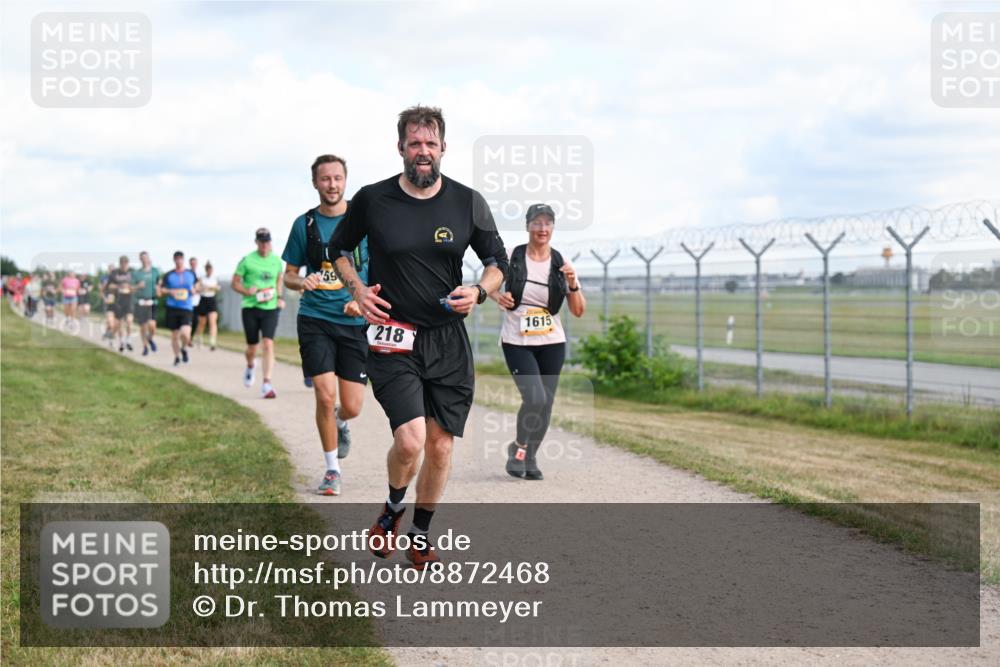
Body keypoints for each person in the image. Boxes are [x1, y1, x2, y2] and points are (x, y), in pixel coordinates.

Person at [329, 105, 509, 569]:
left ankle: (422, 530)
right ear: (401, 148)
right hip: (393, 336)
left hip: (447, 339)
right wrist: (358, 289)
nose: (423, 152)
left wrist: (479, 290)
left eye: (431, 144)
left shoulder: (467, 201)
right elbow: (338, 249)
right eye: (415, 144)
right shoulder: (373, 198)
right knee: (410, 441)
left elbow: (497, 261)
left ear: (443, 148)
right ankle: (391, 511)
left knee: (442, 444)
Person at [283, 154, 369, 496]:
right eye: (325, 179)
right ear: (315, 183)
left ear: (345, 181)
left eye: (337, 178)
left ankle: (342, 422)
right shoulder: (304, 225)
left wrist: (360, 300)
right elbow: (287, 276)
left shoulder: (363, 223)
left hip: (353, 321)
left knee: (352, 405)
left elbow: (379, 271)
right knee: (323, 395)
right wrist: (301, 282)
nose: (331, 185)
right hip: (315, 319)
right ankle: (332, 469)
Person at [491, 203, 586, 480]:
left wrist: (573, 283)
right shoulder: (512, 256)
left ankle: (529, 457)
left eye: (547, 223)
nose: (542, 229)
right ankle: (518, 448)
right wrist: (499, 297)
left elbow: (578, 310)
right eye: (537, 222)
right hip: (517, 339)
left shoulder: (562, 263)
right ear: (528, 226)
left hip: (552, 341)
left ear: (553, 228)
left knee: (546, 403)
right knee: (535, 397)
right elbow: (489, 284)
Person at [233, 228, 284, 398]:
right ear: (256, 242)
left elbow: (279, 280)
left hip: (270, 308)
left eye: (267, 242)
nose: (264, 245)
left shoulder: (277, 261)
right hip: (250, 307)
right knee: (252, 348)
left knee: (268, 343)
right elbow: (235, 283)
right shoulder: (247, 261)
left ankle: (267, 383)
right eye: (261, 242)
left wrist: (280, 297)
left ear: (271, 242)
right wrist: (247, 291)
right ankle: (250, 365)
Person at [158, 251, 199, 366]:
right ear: (174, 260)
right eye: (176, 259)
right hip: (172, 307)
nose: (178, 261)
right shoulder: (169, 275)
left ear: (183, 260)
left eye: (180, 258)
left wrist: (195, 289)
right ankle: (177, 357)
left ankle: (184, 348)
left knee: (186, 333)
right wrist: (171, 291)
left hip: (186, 307)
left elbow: (197, 284)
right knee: (175, 335)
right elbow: (161, 290)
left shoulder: (190, 273)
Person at [106, 255, 137, 352]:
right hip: (117, 301)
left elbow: (138, 286)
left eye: (125, 263)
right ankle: (122, 341)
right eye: (122, 263)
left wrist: (130, 287)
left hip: (128, 300)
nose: (123, 265)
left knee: (129, 321)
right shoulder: (114, 273)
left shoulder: (133, 272)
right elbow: (109, 286)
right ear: (119, 263)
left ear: (128, 263)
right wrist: (120, 286)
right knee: (119, 323)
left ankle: (129, 339)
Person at [134, 251, 160, 356]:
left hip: (152, 300)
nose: (144, 260)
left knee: (152, 325)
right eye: (142, 258)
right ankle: (145, 347)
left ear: (149, 258)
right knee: (143, 327)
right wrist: (137, 286)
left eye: (146, 257)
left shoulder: (155, 271)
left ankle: (150, 339)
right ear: (140, 260)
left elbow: (159, 283)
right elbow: (131, 288)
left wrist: (159, 288)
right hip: (141, 301)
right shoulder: (137, 273)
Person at [194, 261, 220, 350]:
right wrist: (202, 288)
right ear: (206, 270)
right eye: (208, 269)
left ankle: (212, 342)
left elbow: (217, 287)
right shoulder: (201, 278)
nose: (209, 271)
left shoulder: (214, 278)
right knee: (202, 322)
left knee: (212, 321)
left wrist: (208, 287)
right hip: (203, 300)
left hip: (211, 299)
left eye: (210, 269)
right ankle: (199, 338)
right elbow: (197, 288)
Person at [189, 257, 202, 343]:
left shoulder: (200, 274)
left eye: (195, 263)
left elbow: (202, 287)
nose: (193, 264)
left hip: (196, 301)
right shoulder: (187, 273)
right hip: (187, 301)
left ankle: (190, 338)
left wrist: (198, 289)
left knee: (195, 321)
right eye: (192, 263)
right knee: (187, 320)